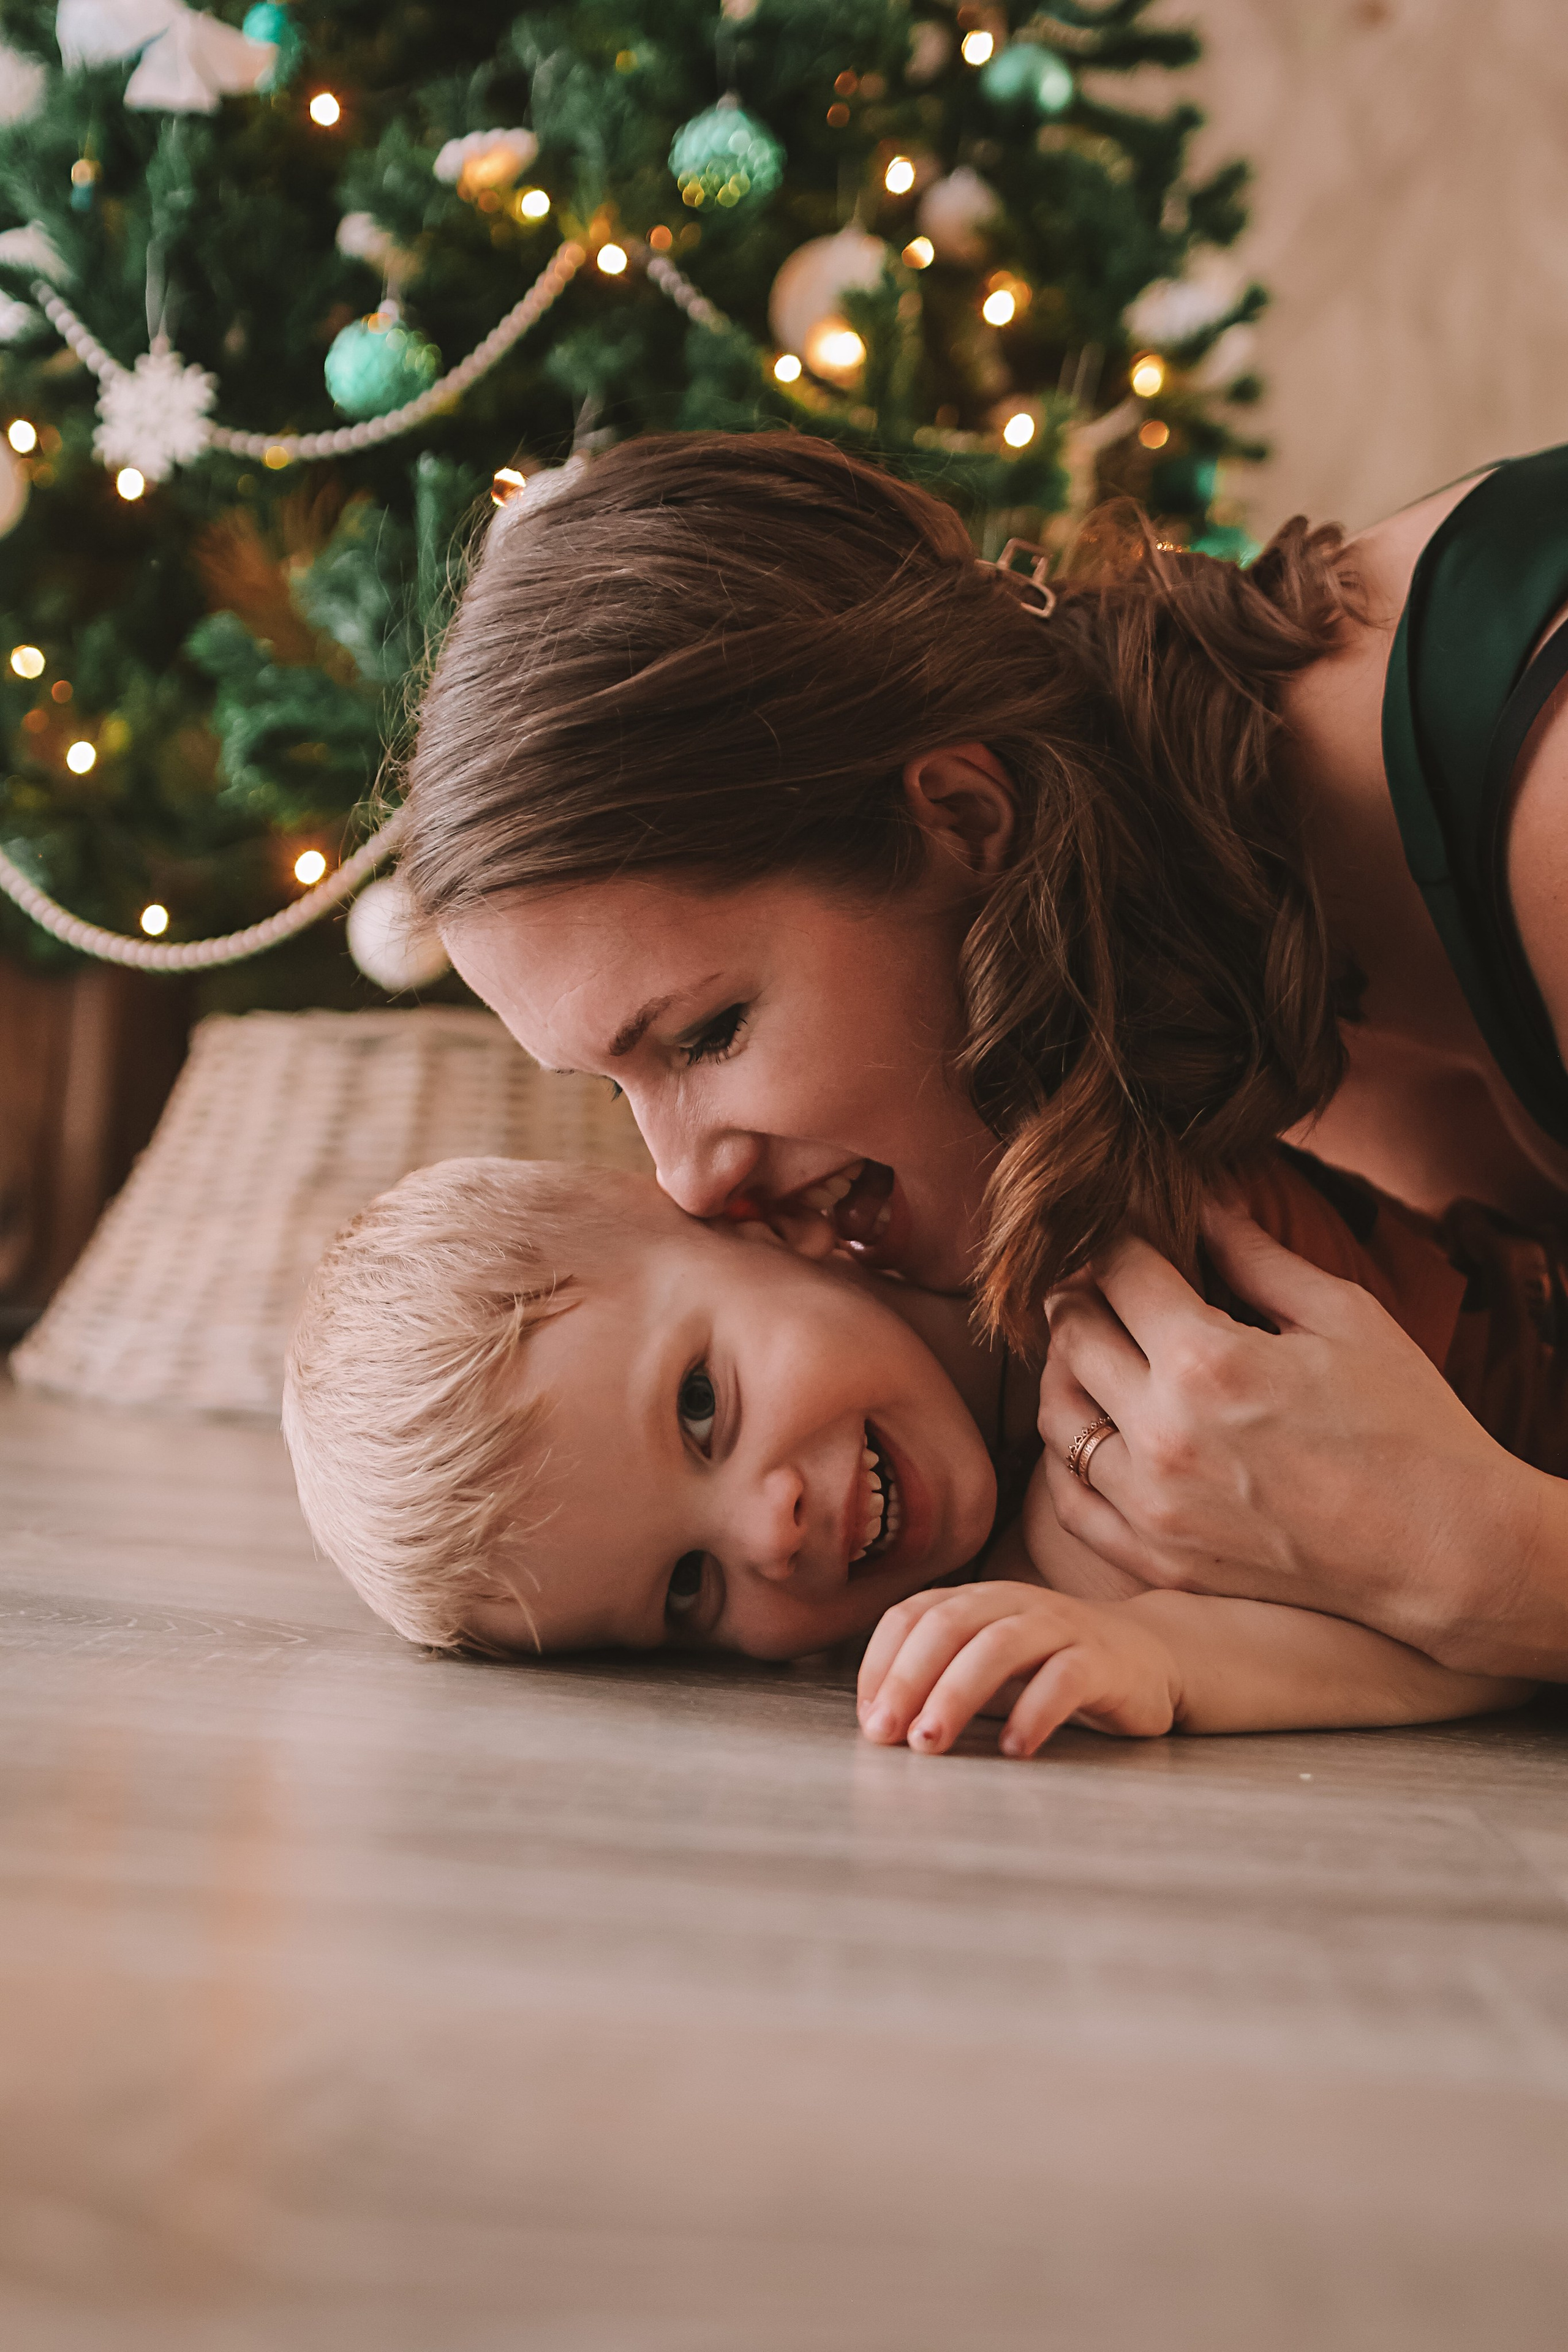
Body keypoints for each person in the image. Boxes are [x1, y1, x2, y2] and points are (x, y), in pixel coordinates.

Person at [401, 432, 1568, 1681]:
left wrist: (1462, 1561)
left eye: (707, 1033)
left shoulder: (1540, 796)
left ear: (961, 815)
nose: (686, 1184)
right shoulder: (1192, 1022)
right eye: (615, 1087)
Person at [281, 1157, 1531, 1753]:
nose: (767, 1531)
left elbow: (1478, 1640)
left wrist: (1170, 1652)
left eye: (702, 1405)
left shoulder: (1144, 1291)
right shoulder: (1016, 1604)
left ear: (744, 1219)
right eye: (688, 1589)